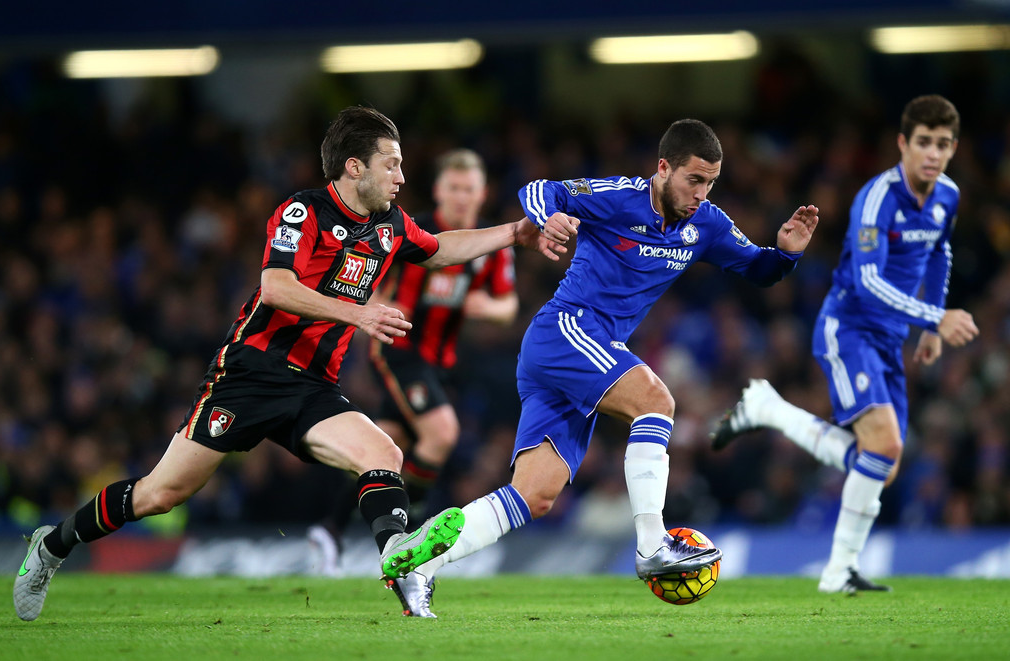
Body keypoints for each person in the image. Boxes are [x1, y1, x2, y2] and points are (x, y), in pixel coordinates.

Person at [13, 106, 568, 622]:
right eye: (391, 164)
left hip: (312, 387)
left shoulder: (391, 224)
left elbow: (441, 247)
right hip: (249, 375)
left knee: (384, 453)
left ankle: (407, 566)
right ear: (355, 167)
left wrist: (515, 233)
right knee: (161, 494)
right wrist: (360, 313)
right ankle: (53, 544)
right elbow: (276, 288)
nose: (401, 177)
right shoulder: (303, 212)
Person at [375, 118, 819, 613]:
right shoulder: (619, 196)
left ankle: (418, 567)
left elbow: (758, 269)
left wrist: (786, 253)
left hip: (576, 356)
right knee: (657, 400)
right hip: (566, 330)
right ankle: (653, 545)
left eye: (711, 182)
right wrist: (551, 219)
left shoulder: (706, 224)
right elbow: (539, 190)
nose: (701, 192)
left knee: (534, 496)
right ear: (663, 168)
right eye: (694, 179)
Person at [710, 95, 978, 593]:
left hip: (892, 336)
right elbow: (871, 280)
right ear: (903, 143)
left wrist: (924, 327)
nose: (933, 154)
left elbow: (939, 254)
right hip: (848, 327)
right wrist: (937, 316)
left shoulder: (948, 197)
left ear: (953, 148)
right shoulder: (876, 199)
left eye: (943, 145)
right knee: (887, 445)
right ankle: (837, 572)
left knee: (882, 465)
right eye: (923, 143)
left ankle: (769, 410)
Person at [308, 148, 518, 573]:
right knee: (441, 435)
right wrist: (377, 306)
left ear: (483, 193)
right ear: (439, 191)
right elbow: (371, 279)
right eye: (454, 188)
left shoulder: (489, 245)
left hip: (440, 361)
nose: (461, 197)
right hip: (399, 351)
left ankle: (329, 529)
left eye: (469, 189)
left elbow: (508, 305)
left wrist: (483, 306)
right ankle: (411, 533)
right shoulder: (412, 231)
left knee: (388, 450)